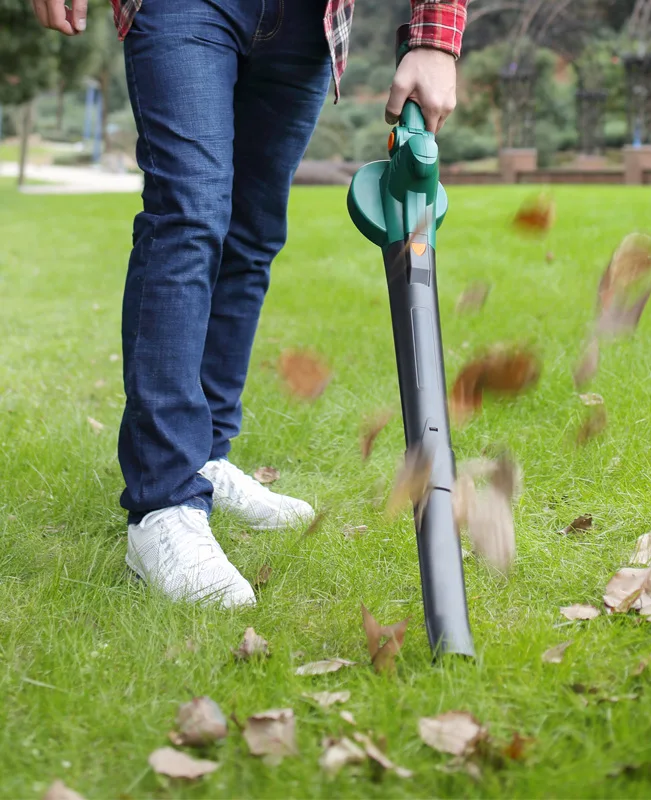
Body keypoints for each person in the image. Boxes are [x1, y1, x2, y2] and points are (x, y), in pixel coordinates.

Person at [29, 0, 469, 607]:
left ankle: (205, 456)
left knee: (251, 233)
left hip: (308, 19)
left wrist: (437, 38)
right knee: (188, 214)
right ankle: (165, 503)